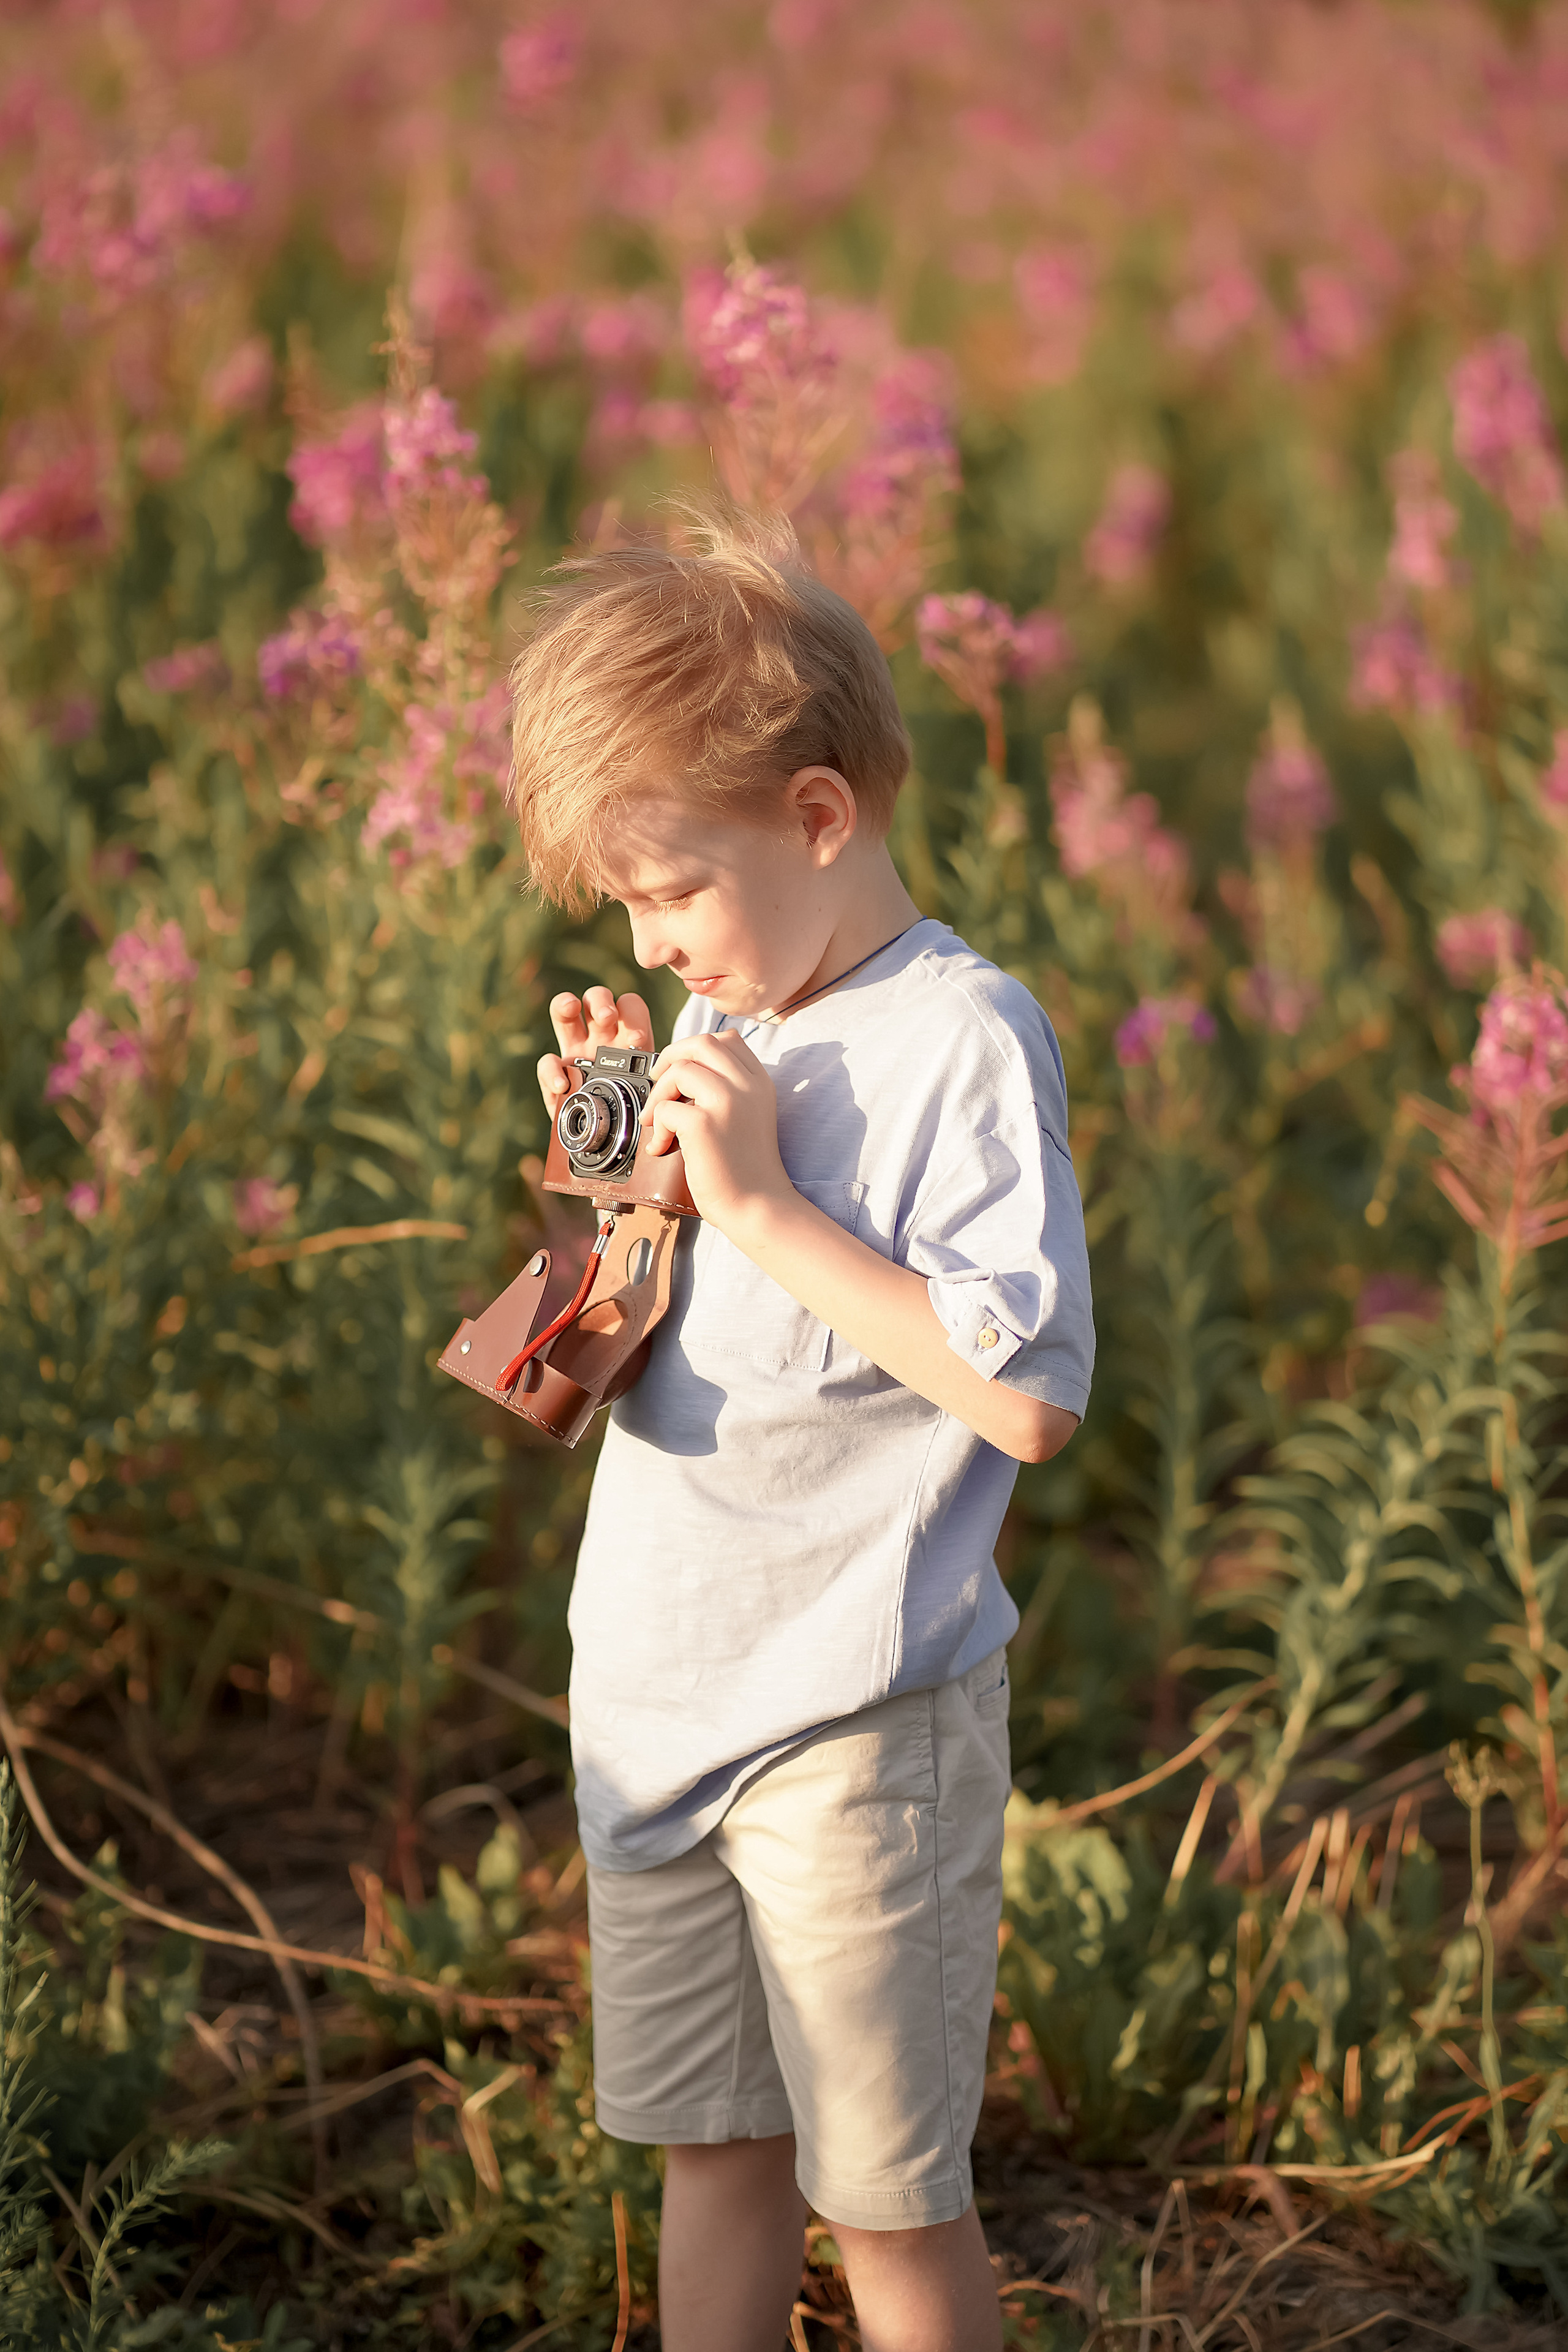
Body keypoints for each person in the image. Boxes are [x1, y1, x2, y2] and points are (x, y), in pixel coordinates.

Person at [508, 512, 1094, 2352]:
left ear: (821, 816)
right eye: (627, 906)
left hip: (851, 1729)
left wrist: (760, 1203)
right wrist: (620, 1172)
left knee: (888, 2208)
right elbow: (597, 1364)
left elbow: (1028, 1390)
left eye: (675, 891)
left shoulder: (961, 1040)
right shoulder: (715, 1021)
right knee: (715, 2159)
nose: (653, 938)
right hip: (658, 1701)